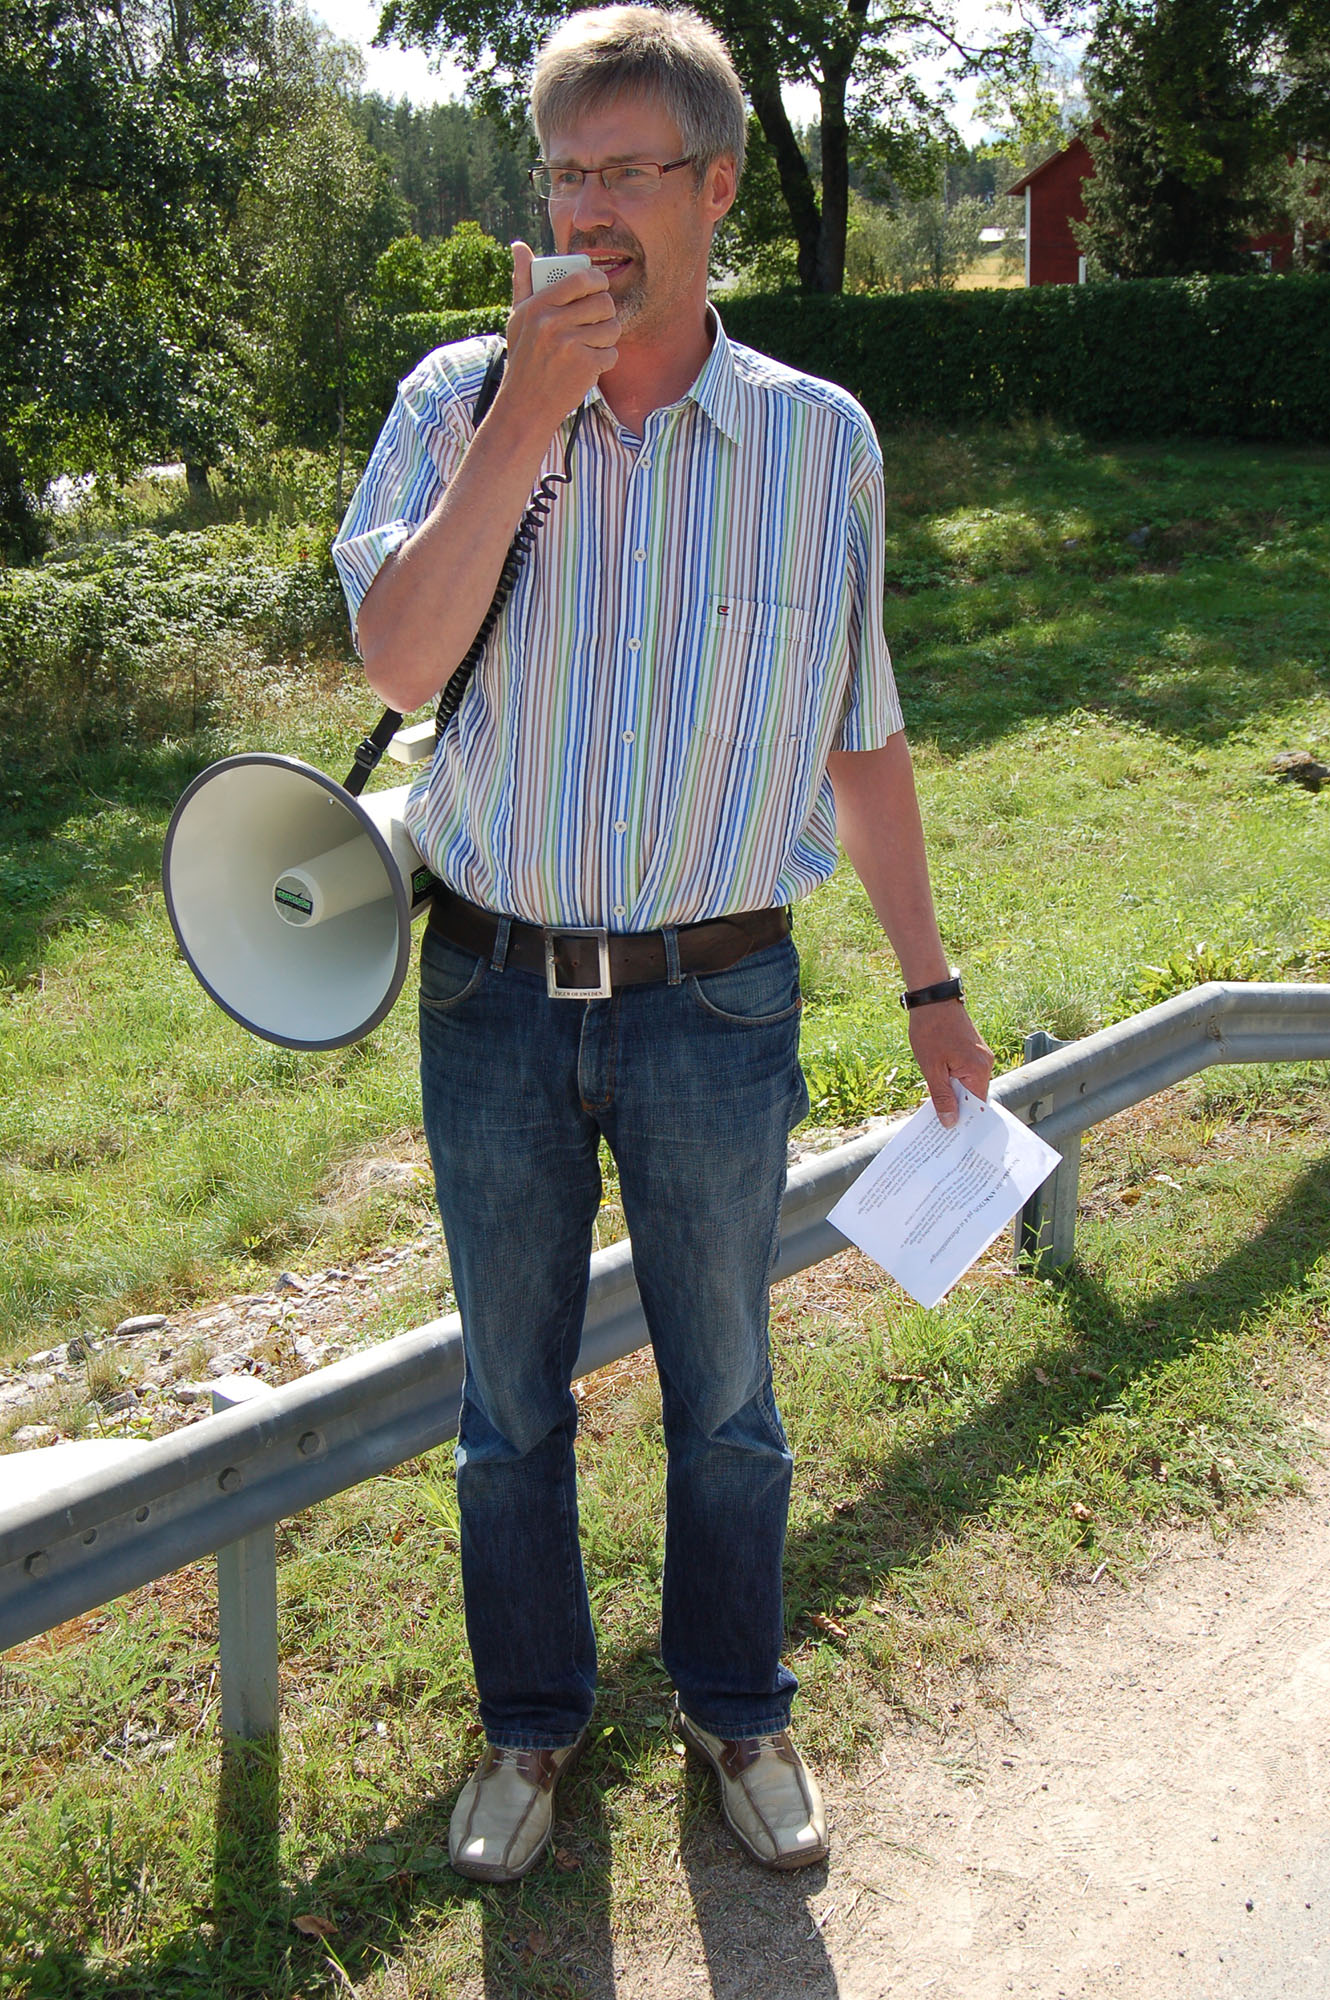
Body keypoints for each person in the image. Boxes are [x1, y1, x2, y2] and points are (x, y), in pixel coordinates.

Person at [332, 2, 993, 1884]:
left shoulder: (814, 438)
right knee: (505, 1409)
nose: (590, 209)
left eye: (630, 171)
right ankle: (530, 1730)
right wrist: (524, 421)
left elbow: (860, 729)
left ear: (716, 193)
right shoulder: (455, 398)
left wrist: (930, 985)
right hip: (491, 987)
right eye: (564, 172)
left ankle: (736, 1708)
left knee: (727, 1404)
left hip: (717, 995)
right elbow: (398, 664)